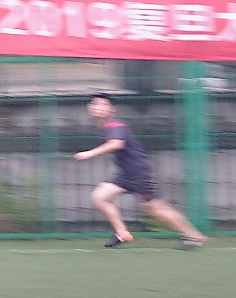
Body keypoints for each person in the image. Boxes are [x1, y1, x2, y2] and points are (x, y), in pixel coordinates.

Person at [75, 92, 206, 250]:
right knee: (100, 196)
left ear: (112, 109)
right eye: (95, 104)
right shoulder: (105, 126)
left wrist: (90, 153)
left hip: (138, 172)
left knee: (156, 208)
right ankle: (122, 233)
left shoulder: (115, 124)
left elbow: (116, 144)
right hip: (126, 173)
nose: (98, 107)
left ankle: (194, 236)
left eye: (103, 105)